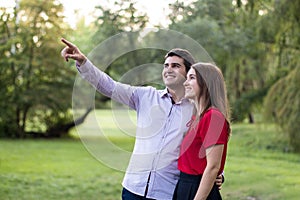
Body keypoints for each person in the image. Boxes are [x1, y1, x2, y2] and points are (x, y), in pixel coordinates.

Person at [60, 38, 223, 200]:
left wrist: (219, 174)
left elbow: (206, 148)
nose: (168, 69)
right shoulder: (145, 96)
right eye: (166, 65)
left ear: (188, 73)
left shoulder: (197, 109)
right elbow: (109, 86)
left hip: (167, 193)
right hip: (133, 189)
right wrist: (84, 62)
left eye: (175, 66)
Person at [172, 63, 231, 200]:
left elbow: (213, 167)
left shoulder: (213, 117)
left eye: (191, 78)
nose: (185, 83)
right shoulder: (197, 117)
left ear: (206, 83)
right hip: (185, 186)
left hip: (198, 191)